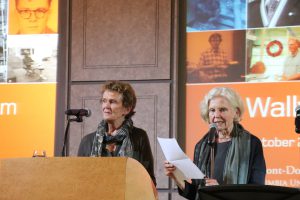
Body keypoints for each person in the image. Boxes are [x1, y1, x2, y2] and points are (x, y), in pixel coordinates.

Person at [164, 87, 266, 200]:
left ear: (236, 112)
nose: (216, 115)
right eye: (212, 110)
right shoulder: (201, 146)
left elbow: (257, 192)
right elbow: (196, 194)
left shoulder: (251, 144)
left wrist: (220, 191)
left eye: (222, 110)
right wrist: (177, 178)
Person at [78, 81, 156, 186]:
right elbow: (79, 180)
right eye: (104, 101)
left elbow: (149, 179)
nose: (106, 106)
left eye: (112, 102)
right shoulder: (87, 141)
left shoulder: (139, 137)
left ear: (127, 109)